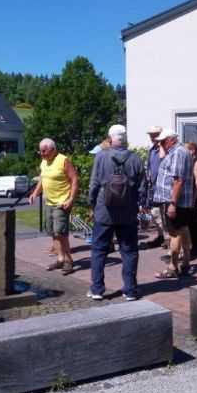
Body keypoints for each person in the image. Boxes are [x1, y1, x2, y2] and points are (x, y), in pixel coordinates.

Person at [86, 125, 145, 301]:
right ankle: (130, 290)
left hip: (105, 211)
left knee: (98, 250)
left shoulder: (101, 157)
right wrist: (142, 207)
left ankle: (97, 289)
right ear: (125, 139)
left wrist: (92, 204)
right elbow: (142, 188)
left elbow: (94, 185)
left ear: (111, 138)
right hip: (128, 212)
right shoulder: (135, 159)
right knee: (129, 251)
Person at [28, 138, 80, 275]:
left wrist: (71, 199)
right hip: (49, 202)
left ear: (53, 149)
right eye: (40, 151)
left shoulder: (63, 160)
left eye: (44, 151)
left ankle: (68, 261)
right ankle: (60, 258)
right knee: (53, 232)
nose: (42, 154)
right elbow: (42, 179)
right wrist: (35, 193)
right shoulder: (44, 162)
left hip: (61, 202)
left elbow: (74, 179)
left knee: (61, 233)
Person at [153, 129, 195, 279]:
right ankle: (186, 263)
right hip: (182, 201)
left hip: (175, 201)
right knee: (183, 229)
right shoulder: (182, 151)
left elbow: (178, 180)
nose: (161, 144)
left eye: (163, 141)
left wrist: (172, 203)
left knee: (174, 233)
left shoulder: (177, 152)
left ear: (171, 140)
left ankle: (173, 267)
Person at [141, 126, 166, 248]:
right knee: (156, 214)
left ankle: (167, 239)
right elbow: (149, 168)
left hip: (164, 187)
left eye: (155, 135)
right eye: (151, 135)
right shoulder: (151, 150)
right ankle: (161, 237)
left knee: (164, 215)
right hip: (154, 187)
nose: (152, 137)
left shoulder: (165, 149)